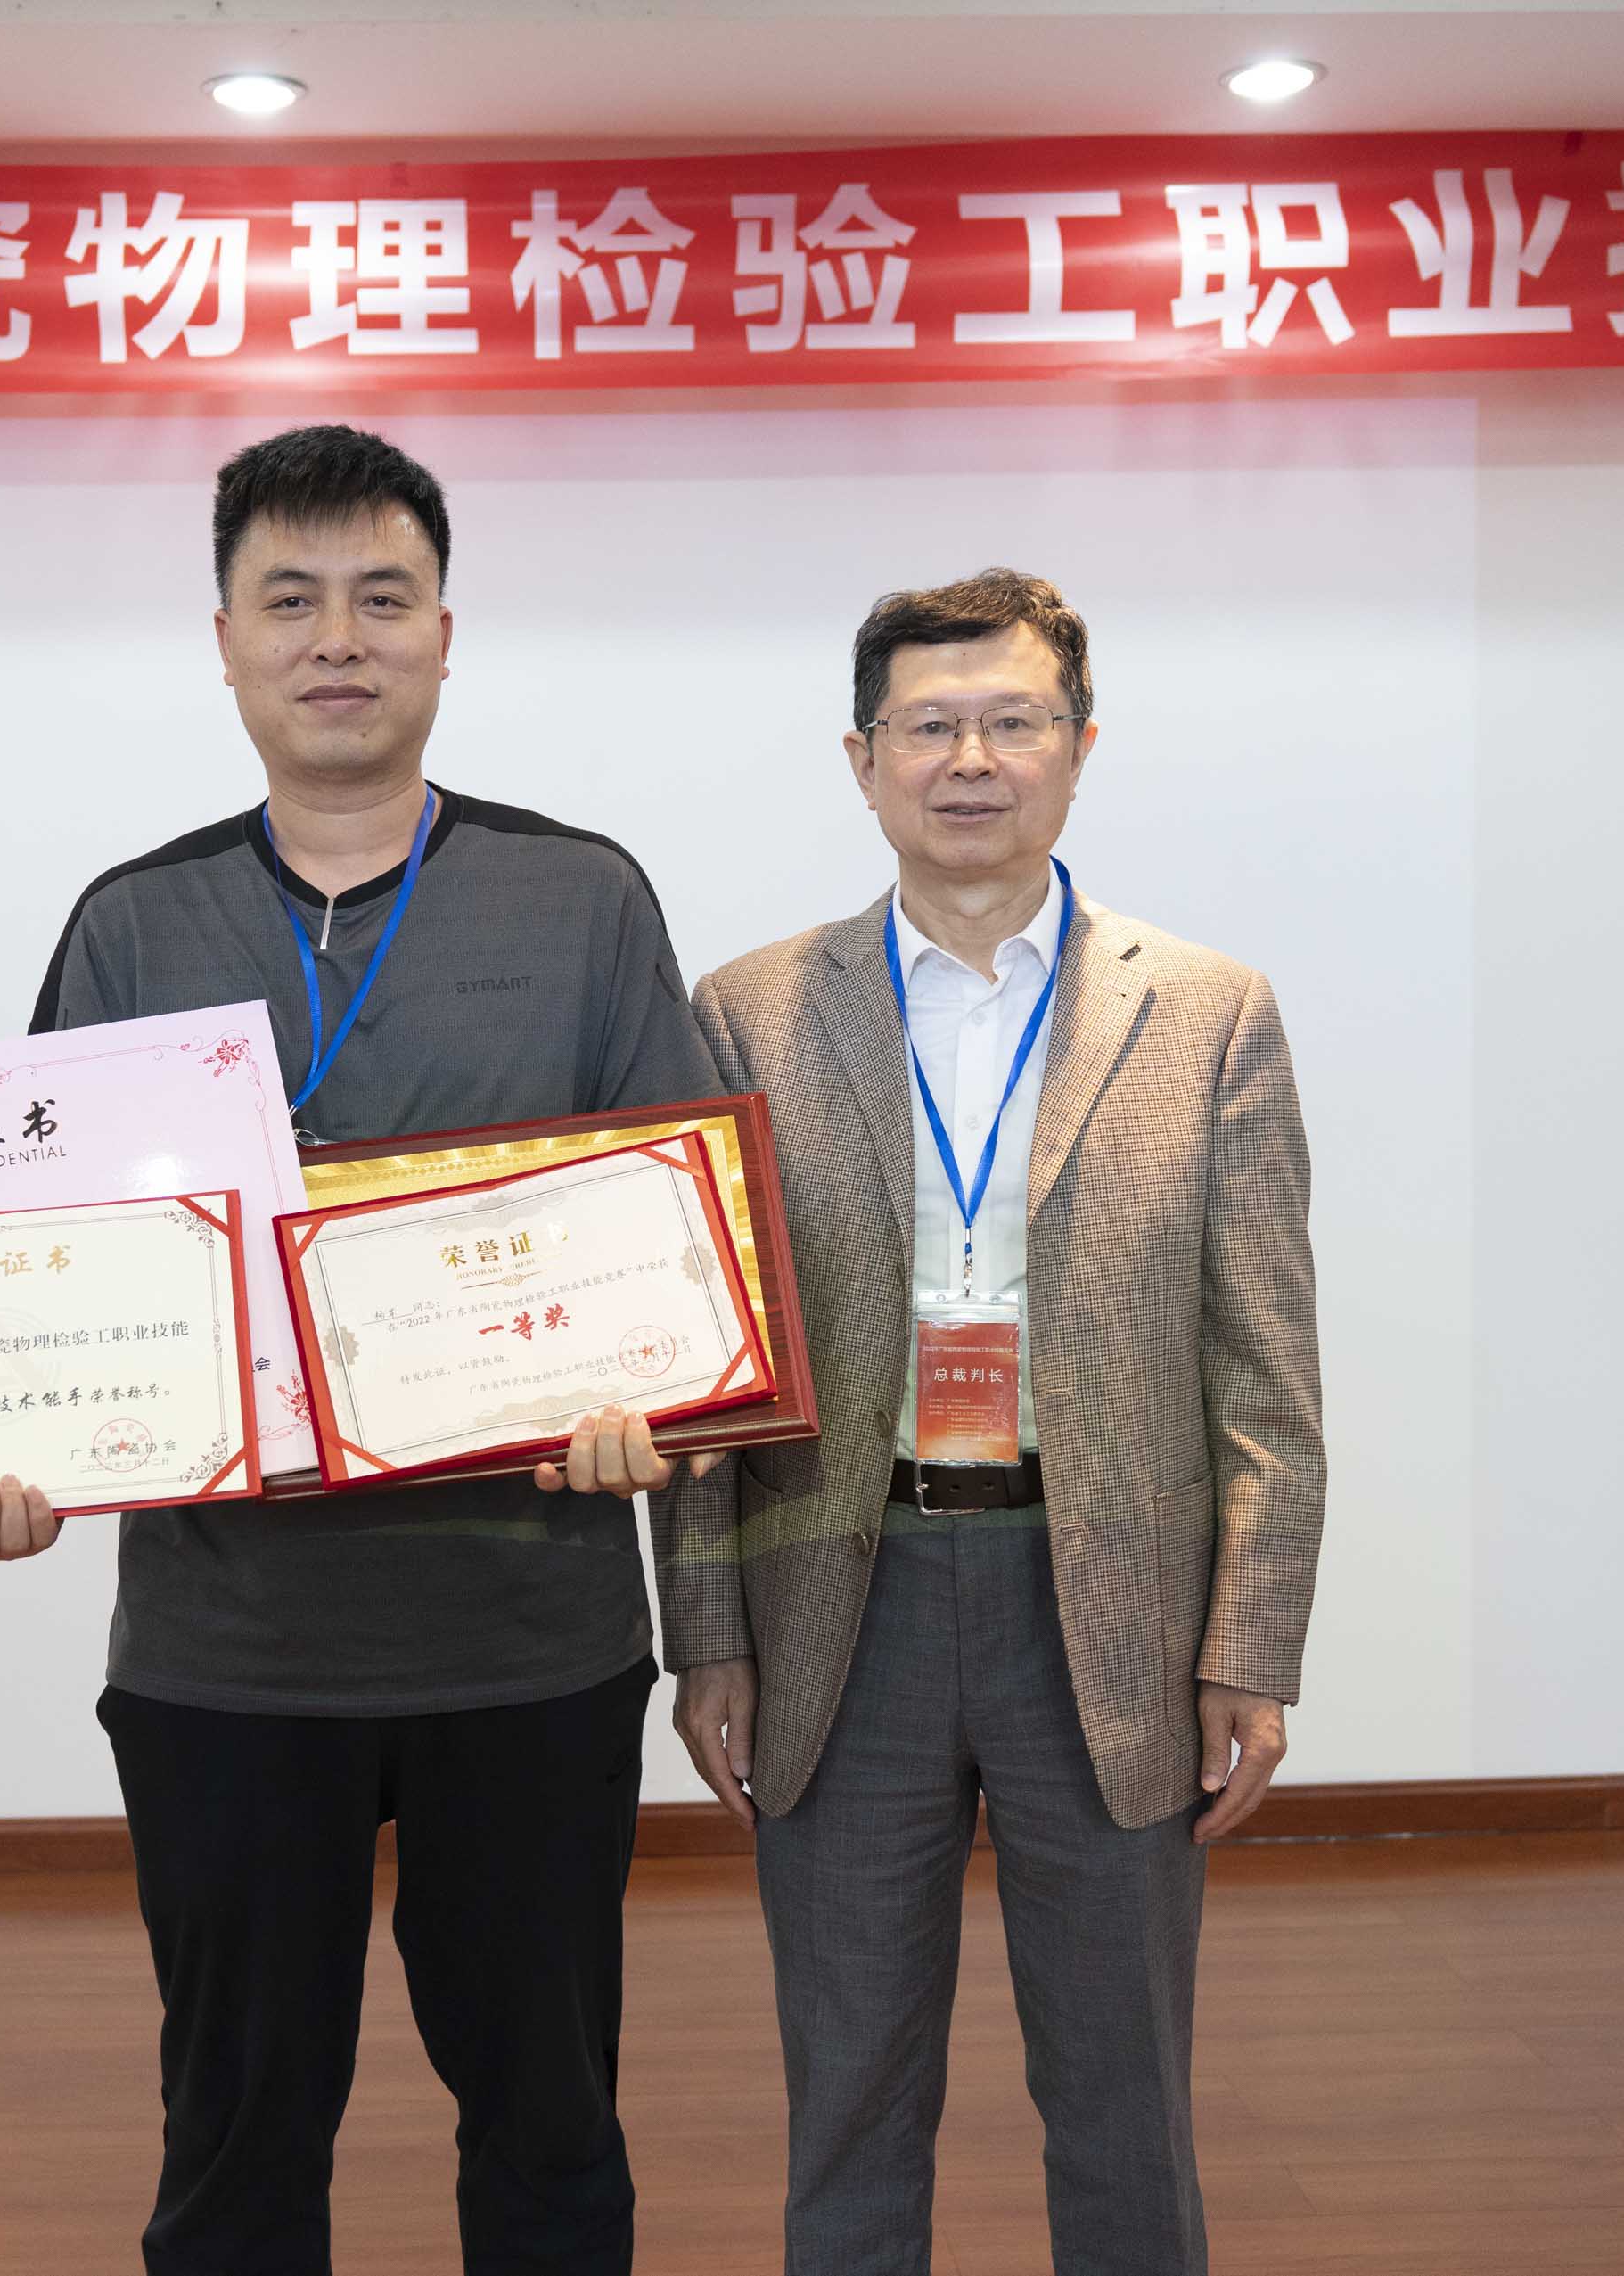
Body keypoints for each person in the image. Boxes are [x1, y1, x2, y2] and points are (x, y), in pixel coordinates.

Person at [0, 424, 717, 2276]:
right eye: (290, 600)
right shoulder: (134, 922)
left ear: (445, 633)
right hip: (228, 1655)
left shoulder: (581, 897)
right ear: (225, 643)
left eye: (381, 597)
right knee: (235, 2143)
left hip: (524, 1641)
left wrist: (661, 1404)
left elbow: (682, 1248)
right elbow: (38, 1278)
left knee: (548, 2127)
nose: (337, 638)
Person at [655, 568, 1325, 2274]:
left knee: (1121, 2092)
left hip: (1105, 1605)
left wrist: (1250, 1648)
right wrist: (707, 1633)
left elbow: (1265, 1373)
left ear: (1080, 748)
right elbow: (711, 1364)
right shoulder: (747, 1011)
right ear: (862, 760)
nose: (970, 759)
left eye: (1012, 720)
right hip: (841, 1593)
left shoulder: (1209, 1012)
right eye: (929, 726)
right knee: (849, 2090)